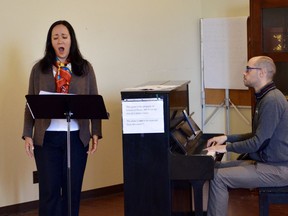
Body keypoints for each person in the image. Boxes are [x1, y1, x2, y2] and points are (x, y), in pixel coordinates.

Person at [22, 20, 102, 216]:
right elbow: (30, 105)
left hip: (76, 138)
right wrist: (27, 134)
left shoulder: (85, 68)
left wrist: (96, 133)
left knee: (72, 192)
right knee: (49, 192)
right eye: (55, 37)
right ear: (50, 42)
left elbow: (94, 102)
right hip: (46, 139)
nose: (60, 40)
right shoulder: (38, 69)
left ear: (71, 41)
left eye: (64, 37)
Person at [205, 56, 288, 216]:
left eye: (248, 69)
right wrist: (227, 138)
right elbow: (259, 135)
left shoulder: (272, 100)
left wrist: (226, 147)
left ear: (262, 73)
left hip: (278, 169)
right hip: (267, 163)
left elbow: (258, 142)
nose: (244, 73)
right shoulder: (266, 97)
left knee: (218, 178)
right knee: (213, 168)